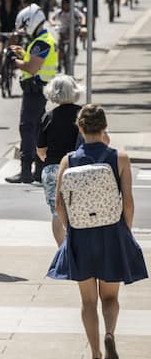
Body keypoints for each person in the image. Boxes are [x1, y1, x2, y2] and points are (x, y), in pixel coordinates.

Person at [47, 104, 147, 359]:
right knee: (110, 297)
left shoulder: (68, 160)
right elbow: (128, 201)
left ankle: (95, 353)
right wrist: (125, 229)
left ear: (80, 128)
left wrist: (72, 230)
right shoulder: (120, 158)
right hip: (112, 232)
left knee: (88, 301)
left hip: (82, 235)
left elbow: (60, 204)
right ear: (104, 128)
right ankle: (110, 334)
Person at [5, 4, 57, 184]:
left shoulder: (42, 42)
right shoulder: (43, 40)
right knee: (36, 129)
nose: (24, 31)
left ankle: (26, 171)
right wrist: (23, 54)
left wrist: (16, 62)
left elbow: (32, 67)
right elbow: (35, 60)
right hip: (38, 91)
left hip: (35, 92)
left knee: (28, 129)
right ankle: (37, 170)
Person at [36, 76, 83, 245]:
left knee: (57, 212)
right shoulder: (83, 114)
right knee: (78, 212)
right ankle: (77, 252)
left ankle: (62, 252)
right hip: (78, 168)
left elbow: (41, 150)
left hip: (52, 168)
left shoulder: (48, 117)